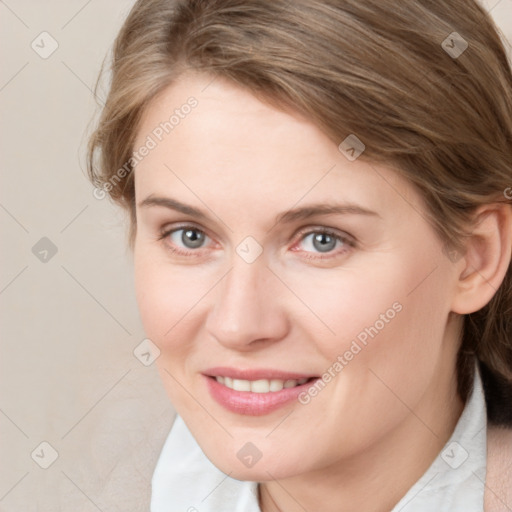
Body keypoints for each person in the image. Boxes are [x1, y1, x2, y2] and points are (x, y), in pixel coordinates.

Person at [87, 0, 512, 510]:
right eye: (190, 235)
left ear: (474, 257)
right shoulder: (159, 477)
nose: (238, 325)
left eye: (321, 240)